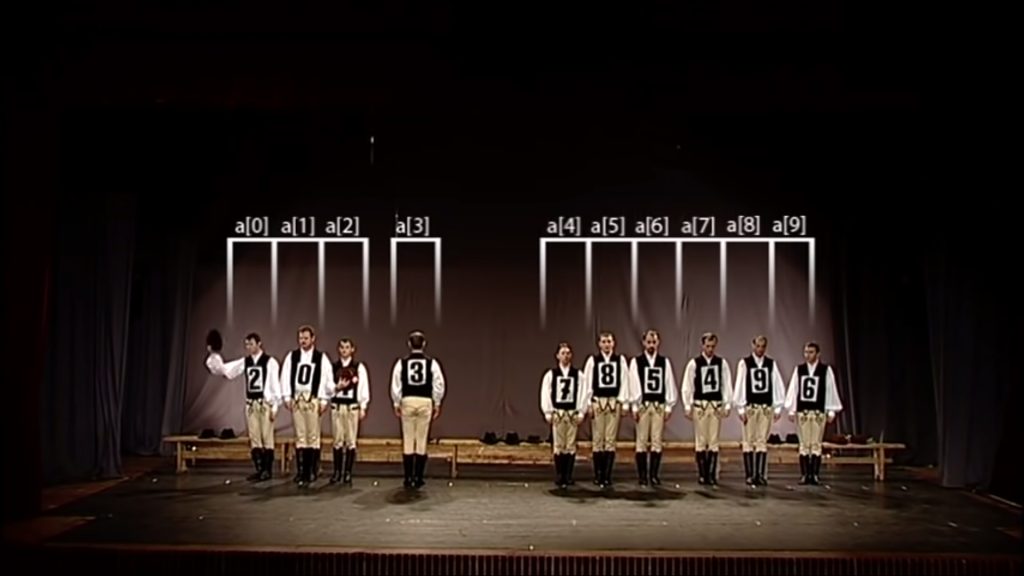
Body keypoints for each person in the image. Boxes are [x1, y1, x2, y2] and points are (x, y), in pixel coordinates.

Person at [205, 332, 281, 481]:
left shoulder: (270, 362)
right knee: (254, 437)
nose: (249, 347)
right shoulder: (245, 362)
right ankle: (259, 469)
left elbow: (275, 385)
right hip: (251, 404)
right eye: (247, 344)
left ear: (259, 343)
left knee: (267, 437)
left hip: (265, 403)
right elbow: (227, 371)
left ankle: (267, 470)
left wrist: (275, 407)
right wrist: (214, 356)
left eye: (251, 344)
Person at [390, 330, 446, 489]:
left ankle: (408, 478)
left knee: (408, 439)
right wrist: (437, 402)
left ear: (409, 344)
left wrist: (396, 402)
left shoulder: (401, 363)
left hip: (408, 400)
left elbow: (396, 384)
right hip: (424, 401)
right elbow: (439, 384)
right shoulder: (432, 363)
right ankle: (419, 477)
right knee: (421, 440)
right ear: (424, 344)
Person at [280, 325, 334, 487]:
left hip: (312, 399)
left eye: (305, 338)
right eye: (300, 338)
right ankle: (301, 471)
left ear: (313, 339)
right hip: (298, 399)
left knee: (313, 436)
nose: (302, 341)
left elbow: (326, 379)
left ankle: (312, 470)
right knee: (300, 436)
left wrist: (324, 400)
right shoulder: (292, 356)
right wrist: (287, 396)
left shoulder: (320, 358)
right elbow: (285, 376)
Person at [784, 341, 843, 485]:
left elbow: (830, 390)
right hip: (803, 412)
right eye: (806, 352)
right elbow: (794, 389)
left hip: (818, 412)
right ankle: (805, 474)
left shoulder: (825, 370)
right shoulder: (799, 370)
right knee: (804, 444)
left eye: (811, 352)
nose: (807, 355)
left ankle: (814, 474)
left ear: (818, 354)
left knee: (816, 444)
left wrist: (831, 410)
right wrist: (792, 409)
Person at [733, 335, 786, 486]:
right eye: (758, 346)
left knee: (762, 441)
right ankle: (750, 474)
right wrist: (740, 408)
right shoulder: (745, 363)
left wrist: (778, 407)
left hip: (765, 408)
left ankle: (760, 474)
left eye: (763, 346)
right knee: (749, 441)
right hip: (751, 407)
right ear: (753, 346)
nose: (760, 349)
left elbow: (776, 384)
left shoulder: (770, 364)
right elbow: (741, 384)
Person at [682, 332, 733, 486]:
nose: (710, 349)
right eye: (708, 346)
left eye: (712, 346)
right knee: (700, 441)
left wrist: (727, 404)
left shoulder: (721, 363)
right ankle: (702, 474)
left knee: (713, 441)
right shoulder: (694, 363)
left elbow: (726, 384)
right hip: (701, 406)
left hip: (715, 406)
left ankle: (711, 474)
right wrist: (687, 405)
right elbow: (688, 385)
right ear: (702, 345)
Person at [581, 331, 631, 487]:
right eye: (604, 342)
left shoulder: (620, 360)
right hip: (598, 402)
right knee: (597, 439)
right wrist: (588, 403)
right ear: (599, 344)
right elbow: (587, 383)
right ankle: (598, 474)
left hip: (613, 402)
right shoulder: (593, 361)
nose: (607, 345)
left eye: (609, 341)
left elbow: (624, 381)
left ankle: (607, 475)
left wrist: (624, 403)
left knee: (610, 440)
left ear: (613, 343)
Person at [628, 329, 677, 486]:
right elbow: (633, 384)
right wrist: (634, 406)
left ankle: (654, 475)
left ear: (658, 343)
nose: (651, 345)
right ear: (643, 343)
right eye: (648, 342)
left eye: (654, 342)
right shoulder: (636, 362)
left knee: (657, 440)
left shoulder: (664, 362)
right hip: (643, 406)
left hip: (658, 406)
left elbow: (668, 383)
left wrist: (668, 407)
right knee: (641, 441)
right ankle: (642, 476)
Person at [541, 341, 587, 489]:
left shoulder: (578, 375)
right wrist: (548, 412)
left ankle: (568, 475)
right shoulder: (551, 375)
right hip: (558, 413)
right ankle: (560, 475)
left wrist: (581, 411)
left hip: (572, 413)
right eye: (563, 353)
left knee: (570, 445)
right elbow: (546, 393)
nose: (565, 356)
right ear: (557, 356)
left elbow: (583, 393)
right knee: (559, 445)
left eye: (568, 353)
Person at [328, 338, 370, 485]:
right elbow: (327, 387)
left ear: (352, 349)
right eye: (342, 347)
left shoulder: (358, 367)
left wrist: (363, 406)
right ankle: (337, 472)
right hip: (337, 406)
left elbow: (363, 387)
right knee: (337, 440)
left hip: (352, 407)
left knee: (351, 441)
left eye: (347, 347)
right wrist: (336, 388)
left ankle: (348, 472)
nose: (344, 350)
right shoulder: (333, 367)